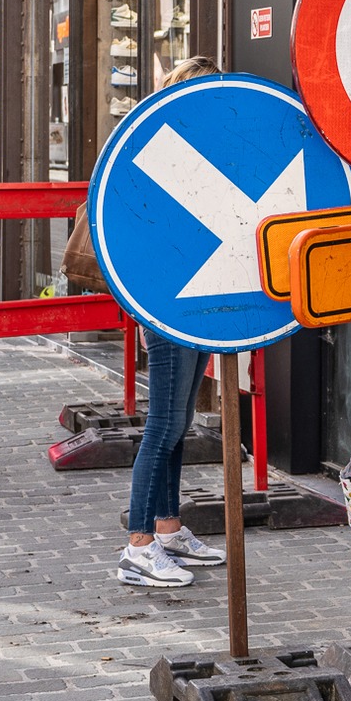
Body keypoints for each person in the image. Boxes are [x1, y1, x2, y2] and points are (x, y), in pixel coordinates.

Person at [115, 56, 231, 588]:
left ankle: (167, 529)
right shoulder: (154, 153)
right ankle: (138, 547)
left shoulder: (201, 159)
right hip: (165, 309)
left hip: (195, 306)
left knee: (178, 426)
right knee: (163, 426)